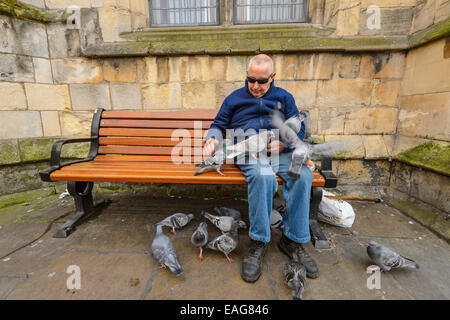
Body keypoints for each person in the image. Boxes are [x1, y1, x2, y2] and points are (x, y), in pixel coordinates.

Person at [202, 54, 319, 283]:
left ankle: (293, 239)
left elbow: (300, 129)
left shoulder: (284, 98)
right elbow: (218, 124)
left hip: (279, 153)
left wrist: (285, 143)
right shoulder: (234, 99)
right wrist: (212, 139)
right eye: (250, 80)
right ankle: (259, 241)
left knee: (303, 175)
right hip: (248, 151)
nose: (255, 86)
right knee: (264, 177)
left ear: (272, 77)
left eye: (261, 81)